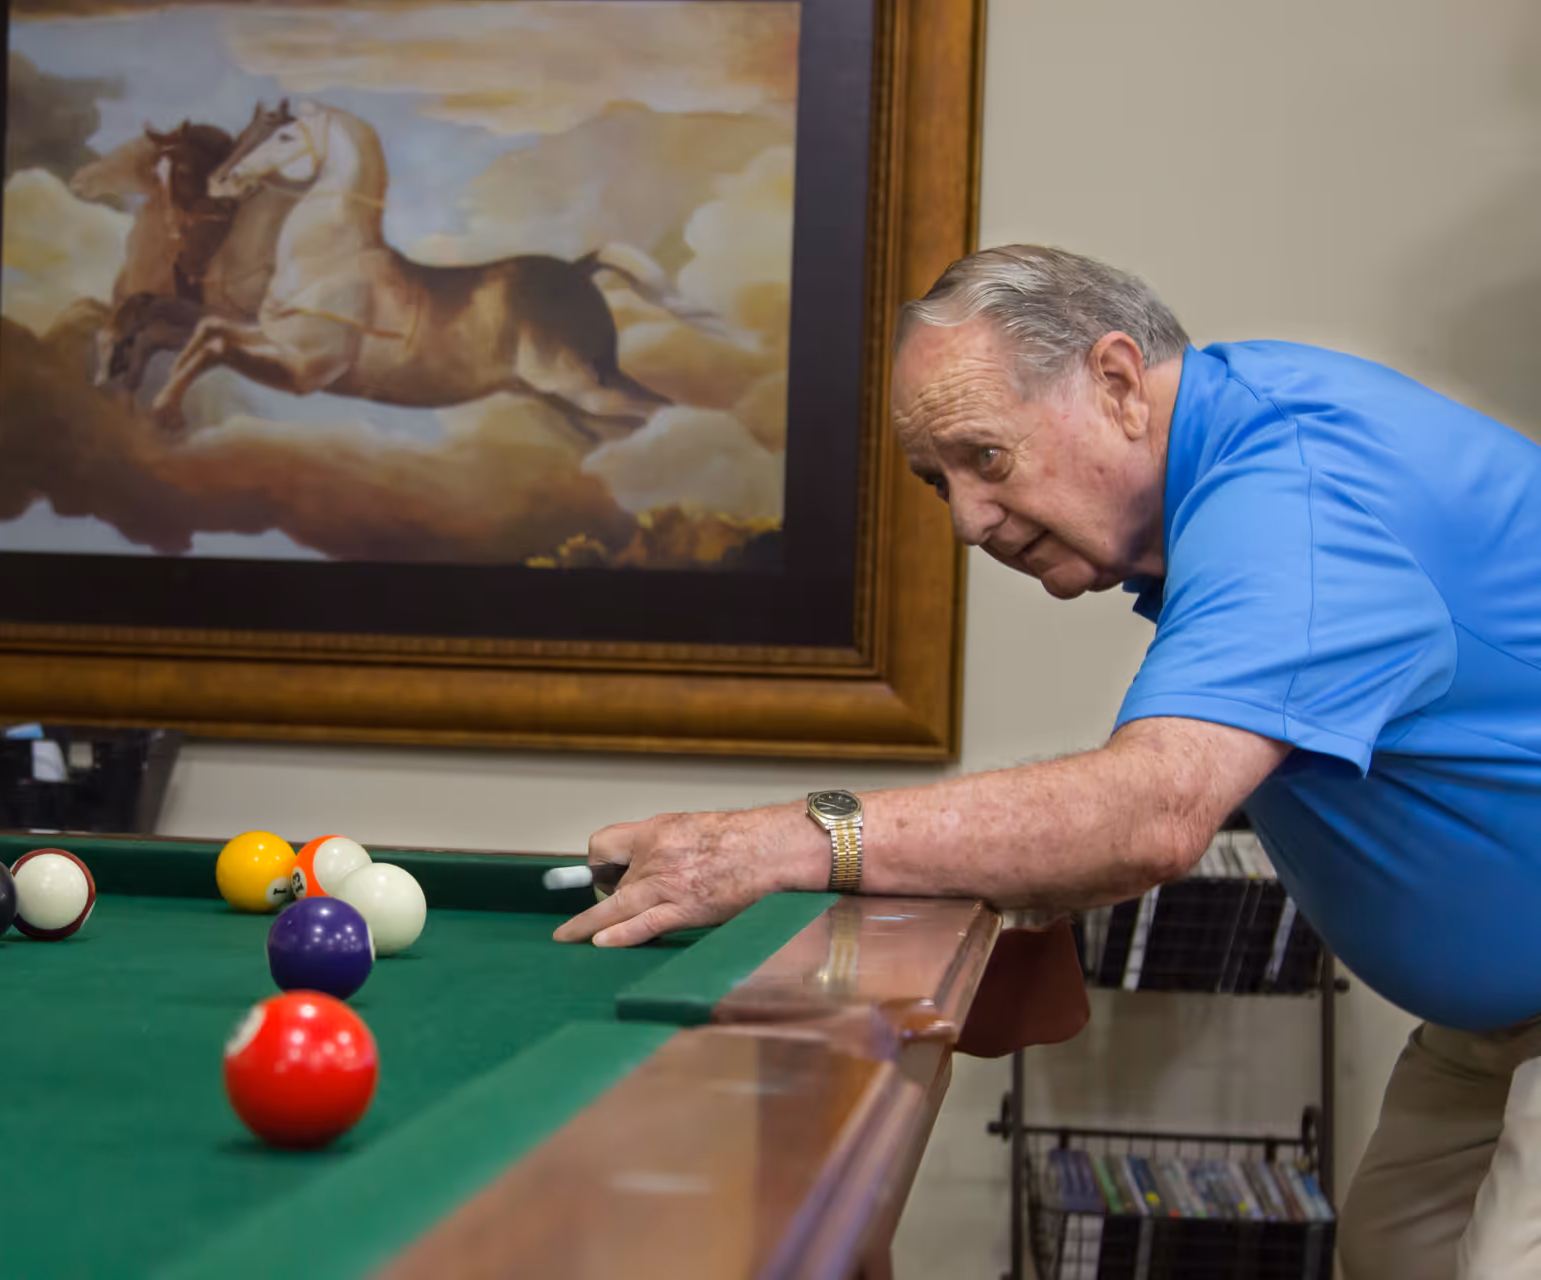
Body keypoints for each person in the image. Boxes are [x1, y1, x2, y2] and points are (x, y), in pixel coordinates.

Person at [553, 244, 1541, 1277]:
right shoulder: (1246, 431)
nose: (969, 520)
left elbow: (1149, 811)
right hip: (1488, 1031)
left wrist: (774, 843)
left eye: (986, 457)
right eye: (939, 480)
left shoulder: (1291, 499)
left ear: (1116, 381)